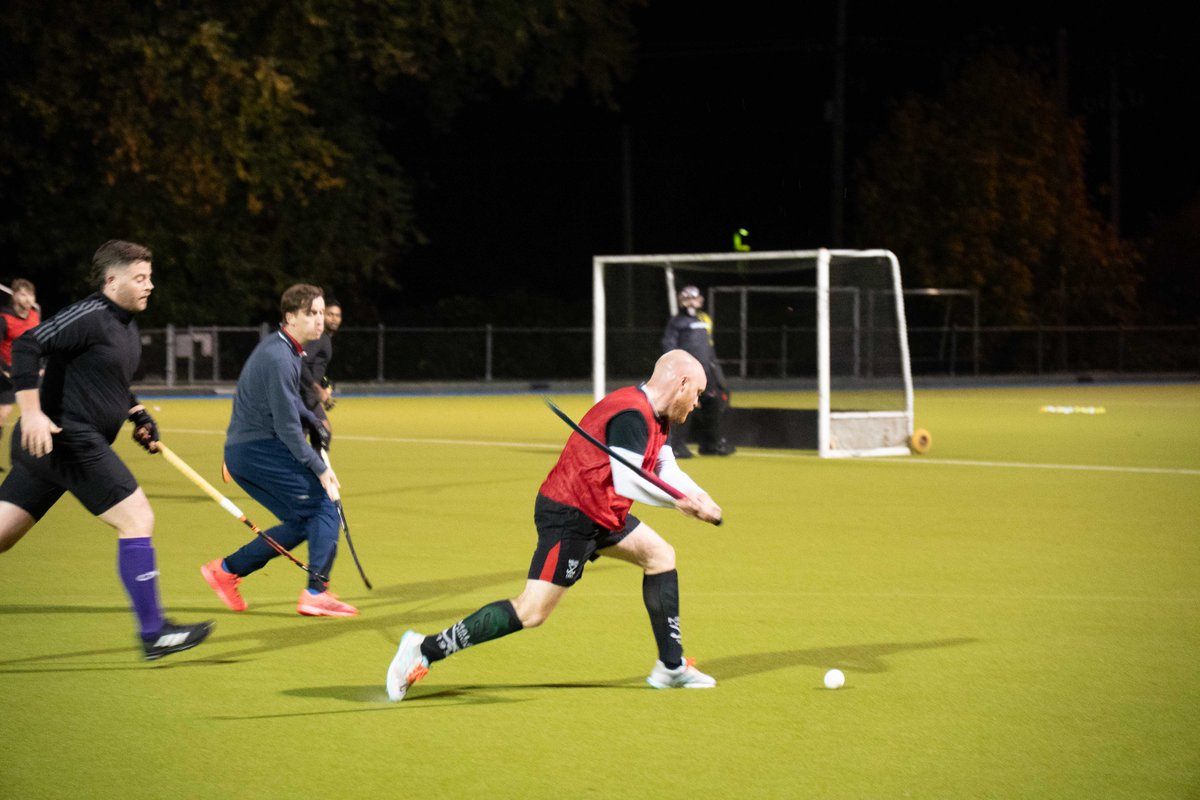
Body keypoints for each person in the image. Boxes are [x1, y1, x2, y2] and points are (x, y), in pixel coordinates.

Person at [385, 349, 724, 702]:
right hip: (571, 514)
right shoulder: (632, 414)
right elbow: (628, 480)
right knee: (531, 611)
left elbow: (664, 466)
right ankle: (424, 648)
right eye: (698, 393)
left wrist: (698, 494)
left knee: (660, 556)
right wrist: (679, 503)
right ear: (682, 383)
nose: (698, 402)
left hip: (603, 512)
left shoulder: (657, 416)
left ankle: (670, 667)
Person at [0, 241, 213, 660]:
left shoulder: (126, 325)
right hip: (66, 440)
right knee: (137, 518)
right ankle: (154, 633)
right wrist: (32, 415)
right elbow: (27, 345)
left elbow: (108, 380)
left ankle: (154, 632)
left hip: (53, 449)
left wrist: (136, 413)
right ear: (111, 280)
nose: (149, 285)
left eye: (150, 277)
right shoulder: (91, 315)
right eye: (140, 278)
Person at [200, 284, 357, 617]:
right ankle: (316, 593)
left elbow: (287, 403)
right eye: (311, 313)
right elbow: (287, 429)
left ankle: (225, 571)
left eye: (320, 312)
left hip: (248, 452)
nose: (320, 320)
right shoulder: (279, 357)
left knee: (303, 521)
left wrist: (311, 418)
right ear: (290, 317)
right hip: (257, 451)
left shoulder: (286, 349)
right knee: (324, 508)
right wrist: (320, 468)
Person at [661, 285, 735, 457]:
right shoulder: (677, 322)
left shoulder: (704, 319)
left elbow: (709, 347)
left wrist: (715, 371)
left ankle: (711, 444)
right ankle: (676, 447)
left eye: (695, 298)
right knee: (685, 407)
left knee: (715, 403)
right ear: (683, 301)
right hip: (687, 372)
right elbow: (669, 346)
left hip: (708, 371)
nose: (694, 301)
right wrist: (676, 369)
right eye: (690, 298)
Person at [1, 279, 42, 471]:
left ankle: (25, 460)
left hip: (28, 374)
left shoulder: (35, 315)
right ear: (14, 296)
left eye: (30, 294)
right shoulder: (4, 319)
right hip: (5, 373)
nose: (28, 299)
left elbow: (41, 343)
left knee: (33, 414)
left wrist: (41, 364)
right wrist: (6, 369)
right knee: (2, 415)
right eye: (23, 294)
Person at [299, 297, 340, 449]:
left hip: (309, 395)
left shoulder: (323, 338)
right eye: (330, 314)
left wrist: (324, 383)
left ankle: (312, 469)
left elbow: (313, 365)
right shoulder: (319, 337)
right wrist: (316, 387)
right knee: (316, 436)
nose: (335, 318)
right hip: (302, 394)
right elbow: (301, 361)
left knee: (323, 433)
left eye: (338, 315)